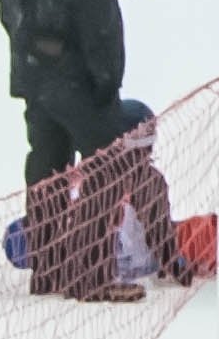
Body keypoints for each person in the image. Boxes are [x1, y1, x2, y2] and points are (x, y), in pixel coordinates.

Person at [0, 0, 140, 301]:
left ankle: (50, 271)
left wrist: (32, 50)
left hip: (32, 74)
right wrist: (106, 77)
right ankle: (94, 276)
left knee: (46, 168)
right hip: (78, 75)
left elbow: (12, 8)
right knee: (107, 167)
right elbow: (94, 15)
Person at [68, 100, 202, 289]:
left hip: (87, 266)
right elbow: (160, 233)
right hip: (127, 266)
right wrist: (176, 265)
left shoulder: (94, 177)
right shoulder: (146, 180)